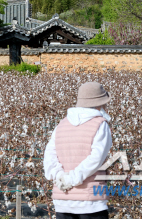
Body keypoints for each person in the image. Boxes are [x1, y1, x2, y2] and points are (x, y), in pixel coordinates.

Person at [44, 82, 113, 219]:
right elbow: (96, 159)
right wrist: (72, 179)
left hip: (63, 200)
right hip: (91, 203)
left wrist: (59, 176)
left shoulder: (62, 124)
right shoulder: (100, 124)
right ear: (100, 103)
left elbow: (49, 155)